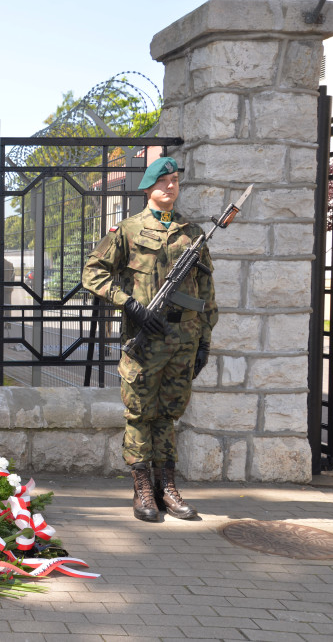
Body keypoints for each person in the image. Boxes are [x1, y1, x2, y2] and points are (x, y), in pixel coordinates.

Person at [82, 156, 218, 522]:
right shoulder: (126, 231)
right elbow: (92, 274)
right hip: (145, 338)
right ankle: (142, 490)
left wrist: (204, 338)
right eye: (164, 181)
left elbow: (206, 291)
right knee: (141, 413)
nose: (170, 187)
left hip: (183, 338)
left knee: (169, 415)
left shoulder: (193, 233)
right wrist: (129, 304)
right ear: (148, 187)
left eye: (175, 180)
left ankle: (167, 488)